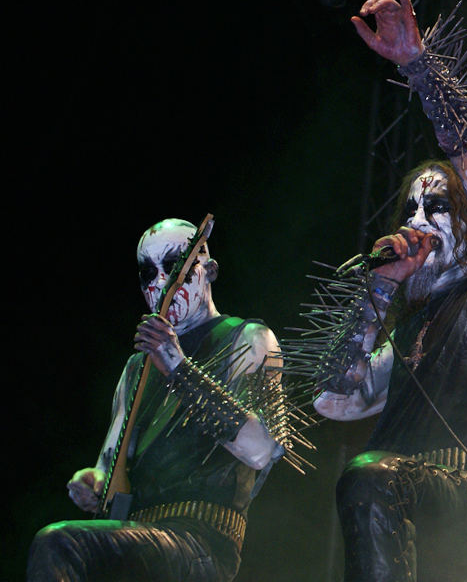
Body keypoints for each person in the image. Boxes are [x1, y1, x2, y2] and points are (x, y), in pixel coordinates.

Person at [285, 0, 467, 580]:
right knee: (366, 477)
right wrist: (379, 290)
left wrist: (420, 67)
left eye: (435, 207)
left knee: (366, 476)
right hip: (400, 499)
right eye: (410, 209)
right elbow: (334, 401)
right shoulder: (416, 326)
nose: (417, 220)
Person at [28, 218, 298, 582]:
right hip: (137, 536)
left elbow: (263, 449)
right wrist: (93, 483)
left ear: (209, 271)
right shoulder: (137, 368)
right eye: (147, 274)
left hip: (202, 541)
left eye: (174, 269)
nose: (161, 283)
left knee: (60, 544)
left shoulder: (249, 338)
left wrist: (178, 368)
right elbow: (109, 467)